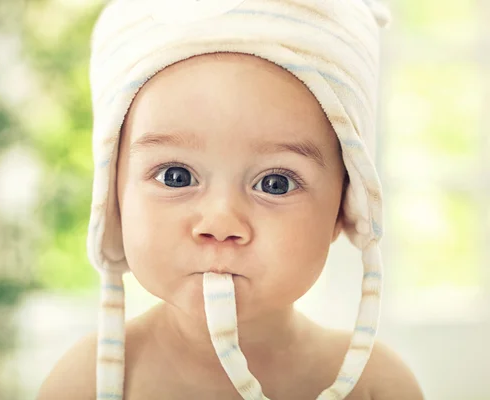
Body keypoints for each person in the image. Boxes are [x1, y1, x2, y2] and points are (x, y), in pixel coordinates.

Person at [38, 0, 424, 398]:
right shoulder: (84, 384)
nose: (220, 223)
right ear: (113, 197)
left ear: (346, 207)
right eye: (176, 176)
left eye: (275, 183)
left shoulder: (376, 386)